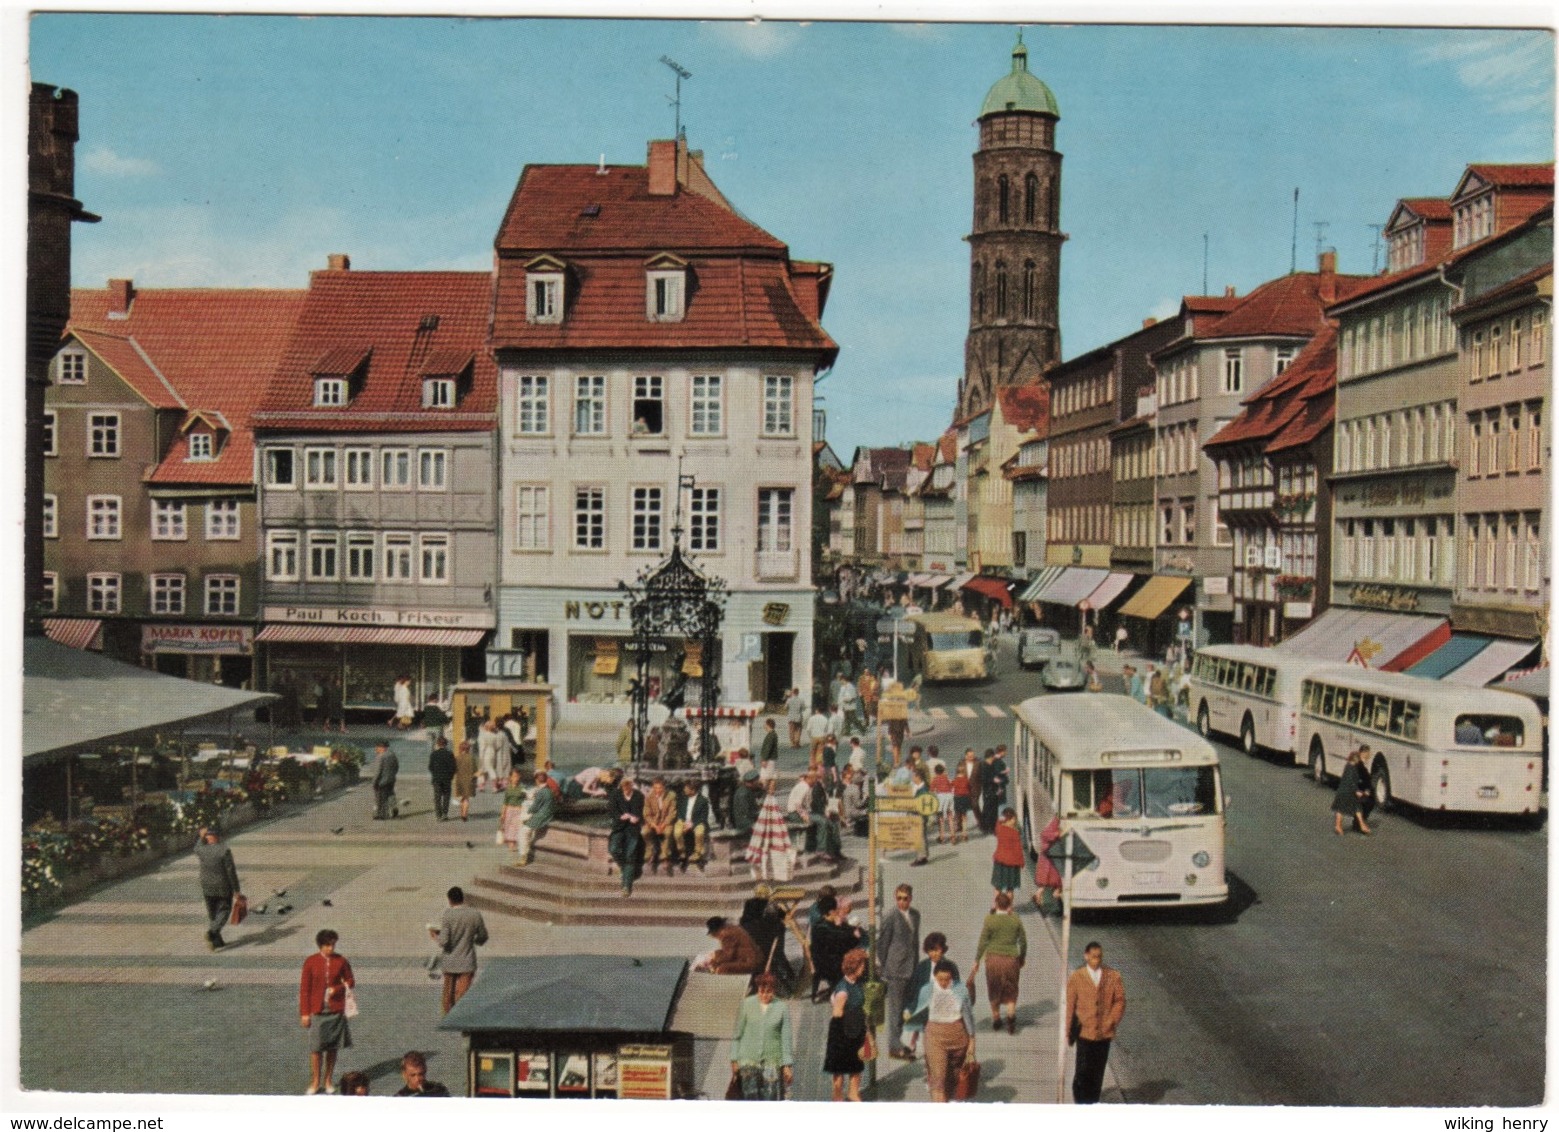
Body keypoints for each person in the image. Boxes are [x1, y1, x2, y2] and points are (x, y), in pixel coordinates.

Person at [907, 960, 977, 1102]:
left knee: (952, 1080)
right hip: (935, 1037)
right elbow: (919, 1012)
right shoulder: (927, 990)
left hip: (958, 1038)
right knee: (938, 1079)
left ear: (952, 977)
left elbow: (967, 1015)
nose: (944, 982)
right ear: (935, 977)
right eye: (940, 979)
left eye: (947, 979)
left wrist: (972, 1040)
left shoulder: (960, 989)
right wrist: (913, 1035)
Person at [1065, 941, 1126, 1104]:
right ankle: (1080, 1103)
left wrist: (1112, 1020)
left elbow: (1120, 1001)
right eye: (1093, 957)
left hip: (1103, 1034)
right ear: (1086, 956)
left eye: (1099, 957)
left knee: (1097, 1072)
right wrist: (1068, 1031)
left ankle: (1092, 1103)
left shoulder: (1113, 976)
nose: (1096, 960)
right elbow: (1070, 1006)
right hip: (1084, 1033)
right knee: (1082, 1072)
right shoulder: (1077, 977)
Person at [299, 929, 354, 1095]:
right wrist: (305, 1013)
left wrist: (337, 989)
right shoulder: (310, 962)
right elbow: (304, 990)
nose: (331, 948)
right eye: (327, 945)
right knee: (316, 1048)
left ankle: (328, 1080)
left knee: (332, 1047)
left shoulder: (341, 961)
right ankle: (315, 1081)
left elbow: (350, 981)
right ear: (320, 946)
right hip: (317, 1011)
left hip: (335, 1010)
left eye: (333, 945)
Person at [730, 973, 794, 1099]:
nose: (764, 995)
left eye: (769, 992)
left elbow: (786, 1038)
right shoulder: (746, 1004)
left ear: (774, 991)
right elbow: (737, 1034)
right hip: (748, 1062)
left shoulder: (781, 1007)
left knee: (770, 1100)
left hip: (772, 1063)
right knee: (750, 1100)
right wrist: (734, 1059)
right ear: (757, 989)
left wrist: (787, 1065)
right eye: (761, 991)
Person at [970, 891, 1027, 1034]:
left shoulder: (989, 919)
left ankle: (996, 1017)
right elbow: (1023, 942)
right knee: (1011, 988)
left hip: (993, 959)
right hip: (1011, 959)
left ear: (996, 904)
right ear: (1009, 905)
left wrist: (977, 960)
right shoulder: (1015, 919)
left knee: (994, 987)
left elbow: (983, 941)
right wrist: (1021, 958)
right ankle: (1010, 1014)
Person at [877, 883, 921, 1061]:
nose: (902, 901)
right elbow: (882, 945)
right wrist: (887, 968)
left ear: (910, 898)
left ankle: (901, 1041)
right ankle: (894, 1047)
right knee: (895, 1009)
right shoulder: (890, 916)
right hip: (896, 970)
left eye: (905, 898)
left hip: (911, 967)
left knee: (905, 1008)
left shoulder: (915, 915)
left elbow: (915, 940)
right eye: (899, 898)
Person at [429, 886, 488, 1014]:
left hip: (450, 961)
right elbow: (483, 937)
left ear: (450, 900)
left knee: (448, 992)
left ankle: (447, 1016)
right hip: (467, 960)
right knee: (463, 992)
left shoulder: (448, 915)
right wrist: (473, 941)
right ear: (463, 898)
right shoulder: (474, 914)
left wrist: (435, 936)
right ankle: (463, 1017)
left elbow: (444, 941)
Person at [823, 947, 871, 1102]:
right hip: (842, 1032)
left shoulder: (857, 982)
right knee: (839, 1068)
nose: (864, 969)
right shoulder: (843, 990)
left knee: (856, 1065)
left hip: (856, 1028)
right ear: (854, 967)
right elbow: (837, 1015)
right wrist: (841, 1039)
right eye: (862, 965)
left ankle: (853, 1093)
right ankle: (837, 1096)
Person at [901, 932, 958, 1059]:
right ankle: (914, 1046)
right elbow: (912, 988)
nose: (934, 954)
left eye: (937, 950)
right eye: (931, 950)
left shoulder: (950, 966)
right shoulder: (922, 966)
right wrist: (908, 1007)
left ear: (943, 950)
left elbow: (956, 987)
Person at [194, 826, 242, 950]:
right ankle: (212, 932)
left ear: (208, 837)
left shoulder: (202, 850)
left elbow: (196, 847)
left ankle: (217, 942)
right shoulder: (224, 850)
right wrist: (236, 890)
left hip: (206, 886)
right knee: (225, 910)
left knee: (213, 914)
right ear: (217, 836)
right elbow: (231, 871)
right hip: (223, 886)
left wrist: (201, 837)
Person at [809, 894, 863, 1001]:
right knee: (855, 960)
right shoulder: (825, 928)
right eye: (836, 909)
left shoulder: (818, 925)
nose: (838, 911)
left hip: (823, 962)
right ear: (831, 911)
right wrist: (855, 936)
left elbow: (840, 935)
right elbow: (844, 941)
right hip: (828, 966)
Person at [608, 773, 645, 896]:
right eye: (624, 786)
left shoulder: (638, 796)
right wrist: (621, 816)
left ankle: (626, 886)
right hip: (619, 827)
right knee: (613, 849)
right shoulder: (615, 794)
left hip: (632, 829)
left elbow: (639, 812)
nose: (626, 789)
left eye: (629, 786)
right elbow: (613, 811)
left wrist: (635, 817)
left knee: (630, 855)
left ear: (632, 785)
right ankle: (625, 868)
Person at [516, 769, 556, 864]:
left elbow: (534, 808)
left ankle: (523, 857)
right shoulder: (548, 790)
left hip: (542, 816)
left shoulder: (541, 792)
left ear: (536, 780)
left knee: (523, 832)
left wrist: (528, 811)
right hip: (547, 814)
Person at [1333, 746, 1374, 835]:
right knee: (1349, 808)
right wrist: (1356, 791)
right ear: (1355, 760)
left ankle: (1340, 826)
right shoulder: (1352, 768)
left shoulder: (1349, 766)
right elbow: (1350, 781)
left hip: (1344, 791)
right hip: (1347, 792)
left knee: (1346, 808)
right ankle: (1341, 825)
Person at [642, 776, 677, 873]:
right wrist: (654, 825)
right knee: (644, 832)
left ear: (664, 787)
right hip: (653, 822)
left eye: (660, 788)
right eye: (655, 788)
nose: (658, 790)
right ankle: (650, 853)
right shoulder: (649, 796)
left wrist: (663, 825)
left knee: (668, 832)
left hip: (666, 822)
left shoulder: (671, 796)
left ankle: (665, 857)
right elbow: (646, 814)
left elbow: (672, 813)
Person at [675, 779, 711, 871]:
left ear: (693, 790)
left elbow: (703, 817)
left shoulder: (703, 801)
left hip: (697, 822)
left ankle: (698, 854)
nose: (684, 790)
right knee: (677, 832)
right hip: (683, 821)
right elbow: (679, 813)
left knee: (699, 832)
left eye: (686, 788)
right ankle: (682, 854)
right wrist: (683, 822)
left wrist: (692, 824)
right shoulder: (682, 799)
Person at [991, 805, 1024, 901]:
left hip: (1000, 862)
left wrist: (1002, 819)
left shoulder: (999, 829)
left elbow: (998, 821)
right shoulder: (1015, 833)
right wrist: (1021, 862)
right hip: (1012, 865)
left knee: (998, 887)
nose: (1015, 822)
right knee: (1010, 888)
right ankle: (1009, 907)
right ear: (1011, 819)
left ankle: (997, 906)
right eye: (1014, 819)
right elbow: (1018, 850)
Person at [1033, 814, 1064, 914]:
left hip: (1049, 859)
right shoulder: (1056, 824)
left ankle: (1039, 895)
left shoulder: (1055, 822)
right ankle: (1058, 898)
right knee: (1057, 883)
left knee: (1046, 883)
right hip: (1051, 859)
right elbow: (1046, 834)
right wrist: (1058, 834)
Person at [979, 748, 1008, 836]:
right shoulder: (984, 766)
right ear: (990, 757)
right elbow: (983, 780)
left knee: (994, 810)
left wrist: (1001, 776)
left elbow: (995, 774)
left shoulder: (990, 765)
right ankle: (986, 828)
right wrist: (993, 780)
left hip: (994, 790)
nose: (993, 760)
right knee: (987, 810)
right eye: (992, 758)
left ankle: (993, 828)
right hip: (988, 791)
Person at [730, 769, 763, 845]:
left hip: (747, 819)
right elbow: (746, 813)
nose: (758, 782)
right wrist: (759, 812)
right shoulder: (743, 794)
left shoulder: (747, 790)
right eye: (757, 781)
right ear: (752, 782)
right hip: (744, 822)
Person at [499, 768, 528, 854]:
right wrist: (502, 813)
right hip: (509, 810)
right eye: (514, 776)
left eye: (517, 776)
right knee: (509, 827)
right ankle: (511, 844)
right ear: (510, 777)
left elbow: (526, 799)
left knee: (517, 827)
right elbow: (505, 802)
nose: (516, 778)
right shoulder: (508, 788)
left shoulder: (522, 788)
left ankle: (515, 843)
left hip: (519, 810)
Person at [428, 736, 456, 821]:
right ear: (446, 744)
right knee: (446, 796)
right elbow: (453, 767)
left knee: (437, 797)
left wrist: (435, 774)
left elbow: (430, 767)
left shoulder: (433, 754)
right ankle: (445, 814)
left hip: (437, 779)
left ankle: (438, 815)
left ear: (437, 744)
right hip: (447, 778)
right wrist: (450, 776)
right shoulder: (450, 754)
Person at [371, 741, 398, 821]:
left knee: (380, 798)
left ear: (381, 747)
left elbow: (378, 771)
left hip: (382, 781)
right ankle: (394, 808)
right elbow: (396, 767)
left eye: (377, 747)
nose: (376, 749)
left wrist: (374, 782)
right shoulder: (392, 755)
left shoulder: (380, 757)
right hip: (391, 779)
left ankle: (381, 814)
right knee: (390, 795)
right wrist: (392, 775)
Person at [930, 760, 955, 843]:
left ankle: (942, 837)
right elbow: (951, 786)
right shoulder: (946, 777)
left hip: (941, 797)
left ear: (935, 772)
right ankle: (953, 836)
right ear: (943, 771)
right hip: (949, 796)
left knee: (940, 818)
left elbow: (931, 790)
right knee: (950, 816)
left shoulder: (935, 779)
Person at [452, 740, 476, 822]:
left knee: (462, 797)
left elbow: (454, 770)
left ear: (460, 748)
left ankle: (462, 813)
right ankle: (464, 814)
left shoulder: (457, 758)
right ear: (468, 749)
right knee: (466, 798)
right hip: (469, 780)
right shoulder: (472, 758)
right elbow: (475, 770)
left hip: (460, 780)